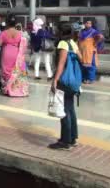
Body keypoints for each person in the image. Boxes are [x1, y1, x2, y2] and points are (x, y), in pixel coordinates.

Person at [49, 22, 83, 150]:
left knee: (64, 110)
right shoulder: (73, 43)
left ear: (61, 32)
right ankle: (73, 138)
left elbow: (61, 63)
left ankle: (65, 141)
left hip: (64, 80)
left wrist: (55, 80)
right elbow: (81, 58)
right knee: (70, 109)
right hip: (73, 81)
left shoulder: (63, 44)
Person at [0, 14, 29, 97]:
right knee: (17, 70)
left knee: (6, 71)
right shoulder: (20, 33)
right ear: (15, 23)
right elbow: (24, 44)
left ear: (7, 22)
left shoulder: (3, 33)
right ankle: (17, 90)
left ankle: (7, 90)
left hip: (6, 52)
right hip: (16, 53)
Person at [78, 20, 103, 84]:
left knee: (90, 66)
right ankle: (83, 78)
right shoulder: (82, 31)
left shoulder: (93, 31)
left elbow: (101, 37)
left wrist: (96, 43)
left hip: (90, 51)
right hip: (82, 51)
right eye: (86, 23)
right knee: (83, 65)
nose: (87, 24)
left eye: (89, 23)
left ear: (91, 24)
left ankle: (90, 79)